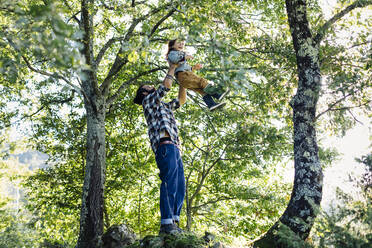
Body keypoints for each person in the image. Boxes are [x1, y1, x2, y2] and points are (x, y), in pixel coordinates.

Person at [133, 62, 186, 235]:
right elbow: (166, 87)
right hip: (165, 147)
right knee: (169, 182)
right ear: (144, 92)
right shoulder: (148, 101)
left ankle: (174, 222)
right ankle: (166, 223)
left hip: (175, 148)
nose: (152, 85)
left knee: (180, 185)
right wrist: (172, 67)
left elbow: (181, 101)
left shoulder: (163, 106)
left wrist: (183, 80)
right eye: (149, 86)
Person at [167, 39, 229, 111]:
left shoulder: (181, 54)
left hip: (185, 79)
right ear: (172, 45)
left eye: (182, 44)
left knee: (202, 91)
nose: (181, 44)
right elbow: (174, 59)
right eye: (178, 43)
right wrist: (184, 57)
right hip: (183, 75)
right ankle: (217, 94)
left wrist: (193, 67)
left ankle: (211, 104)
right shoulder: (172, 53)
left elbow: (183, 67)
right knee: (202, 81)